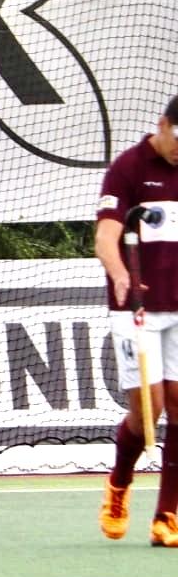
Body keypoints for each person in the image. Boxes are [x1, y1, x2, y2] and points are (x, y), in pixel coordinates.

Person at [93, 95, 178, 545]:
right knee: (149, 413)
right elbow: (106, 236)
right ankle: (120, 484)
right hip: (138, 310)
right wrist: (121, 273)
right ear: (163, 125)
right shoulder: (128, 167)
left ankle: (167, 515)